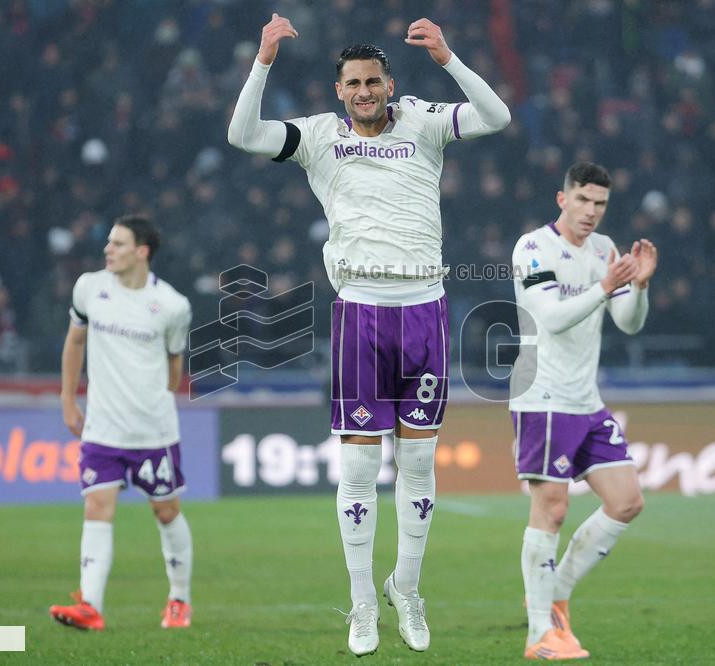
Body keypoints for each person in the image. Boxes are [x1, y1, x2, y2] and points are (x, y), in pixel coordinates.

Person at [228, 13, 510, 656]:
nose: (364, 92)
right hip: (360, 311)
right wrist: (264, 57)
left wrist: (448, 56)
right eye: (353, 83)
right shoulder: (319, 137)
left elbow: (496, 117)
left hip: (425, 309)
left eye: (373, 82)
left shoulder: (423, 120)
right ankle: (361, 606)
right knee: (358, 466)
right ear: (339, 91)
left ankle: (405, 590)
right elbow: (242, 133)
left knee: (416, 463)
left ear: (389, 85)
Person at [508, 162, 657, 660]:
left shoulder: (605, 250)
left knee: (627, 502)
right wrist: (604, 286)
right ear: (562, 199)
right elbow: (549, 317)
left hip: (586, 400)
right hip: (543, 396)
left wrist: (637, 288)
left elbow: (629, 325)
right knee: (552, 510)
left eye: (600, 204)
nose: (591, 212)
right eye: (583, 201)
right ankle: (538, 635)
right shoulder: (533, 248)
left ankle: (555, 599)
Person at [48, 215, 194, 631]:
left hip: (153, 430)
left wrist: (152, 398)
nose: (107, 250)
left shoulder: (171, 305)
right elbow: (74, 341)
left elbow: (173, 365)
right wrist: (67, 399)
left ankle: (179, 599)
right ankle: (90, 605)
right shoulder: (90, 287)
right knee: (96, 506)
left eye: (117, 243)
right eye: (108, 243)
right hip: (102, 427)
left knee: (166, 512)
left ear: (141, 251)